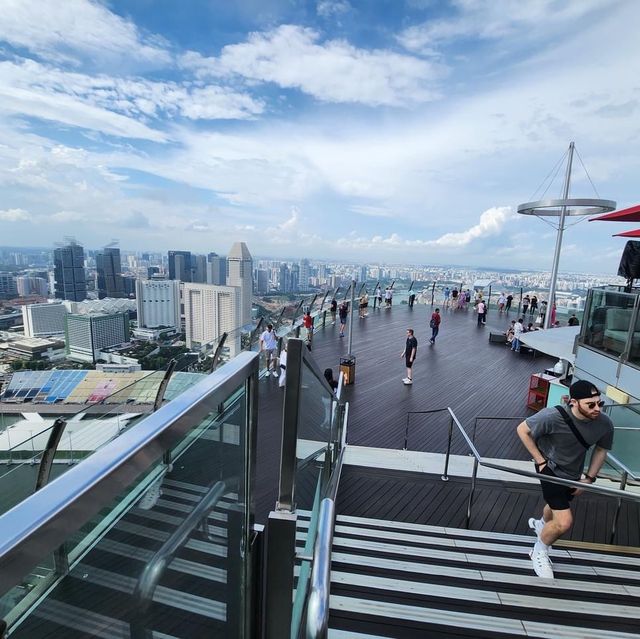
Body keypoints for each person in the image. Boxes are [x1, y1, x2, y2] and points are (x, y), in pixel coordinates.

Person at [516, 380, 613, 578]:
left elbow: (601, 449)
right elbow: (522, 430)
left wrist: (589, 479)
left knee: (555, 505)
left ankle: (541, 524)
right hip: (549, 469)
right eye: (591, 404)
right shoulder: (552, 416)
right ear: (574, 403)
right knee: (564, 521)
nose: (597, 409)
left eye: (599, 403)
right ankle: (539, 551)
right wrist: (541, 462)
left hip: (573, 473)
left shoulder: (604, 424)